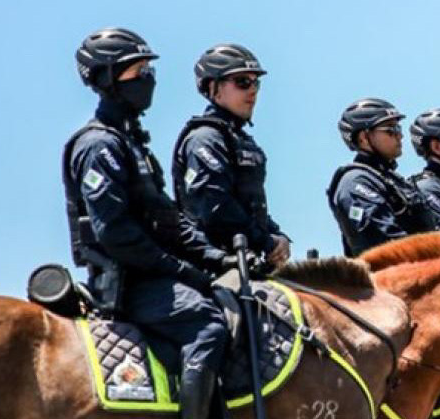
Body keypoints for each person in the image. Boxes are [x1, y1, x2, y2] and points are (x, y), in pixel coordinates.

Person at [65, 28, 228, 418]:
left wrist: (215, 258)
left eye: (147, 69)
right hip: (127, 283)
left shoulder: (132, 144)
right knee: (207, 324)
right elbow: (116, 233)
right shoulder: (98, 146)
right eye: (136, 71)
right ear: (106, 79)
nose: (147, 79)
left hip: (151, 273)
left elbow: (169, 219)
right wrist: (182, 270)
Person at [172, 44, 290, 270]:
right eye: (242, 82)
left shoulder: (241, 139)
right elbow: (216, 209)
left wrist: (277, 235)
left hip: (248, 260)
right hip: (212, 266)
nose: (252, 90)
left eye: (256, 82)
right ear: (213, 87)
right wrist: (266, 241)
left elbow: (250, 207)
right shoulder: (205, 138)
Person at [327, 98, 438, 256]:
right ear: (363, 138)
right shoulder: (355, 181)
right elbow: (386, 245)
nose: (400, 136)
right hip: (392, 276)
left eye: (398, 128)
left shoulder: (392, 180)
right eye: (390, 130)